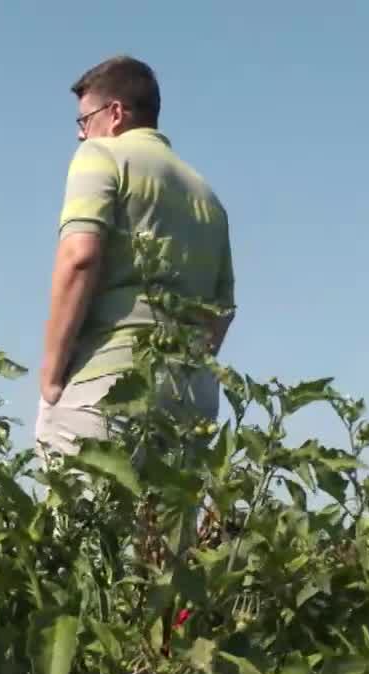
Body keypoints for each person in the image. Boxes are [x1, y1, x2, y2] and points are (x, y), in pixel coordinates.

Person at [34, 55, 236, 462]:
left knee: (83, 522)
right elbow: (223, 309)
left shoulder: (102, 155)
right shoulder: (207, 196)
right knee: (164, 526)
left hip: (108, 383)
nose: (80, 135)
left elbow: (79, 258)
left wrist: (52, 375)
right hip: (189, 395)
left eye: (83, 120)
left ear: (115, 113)